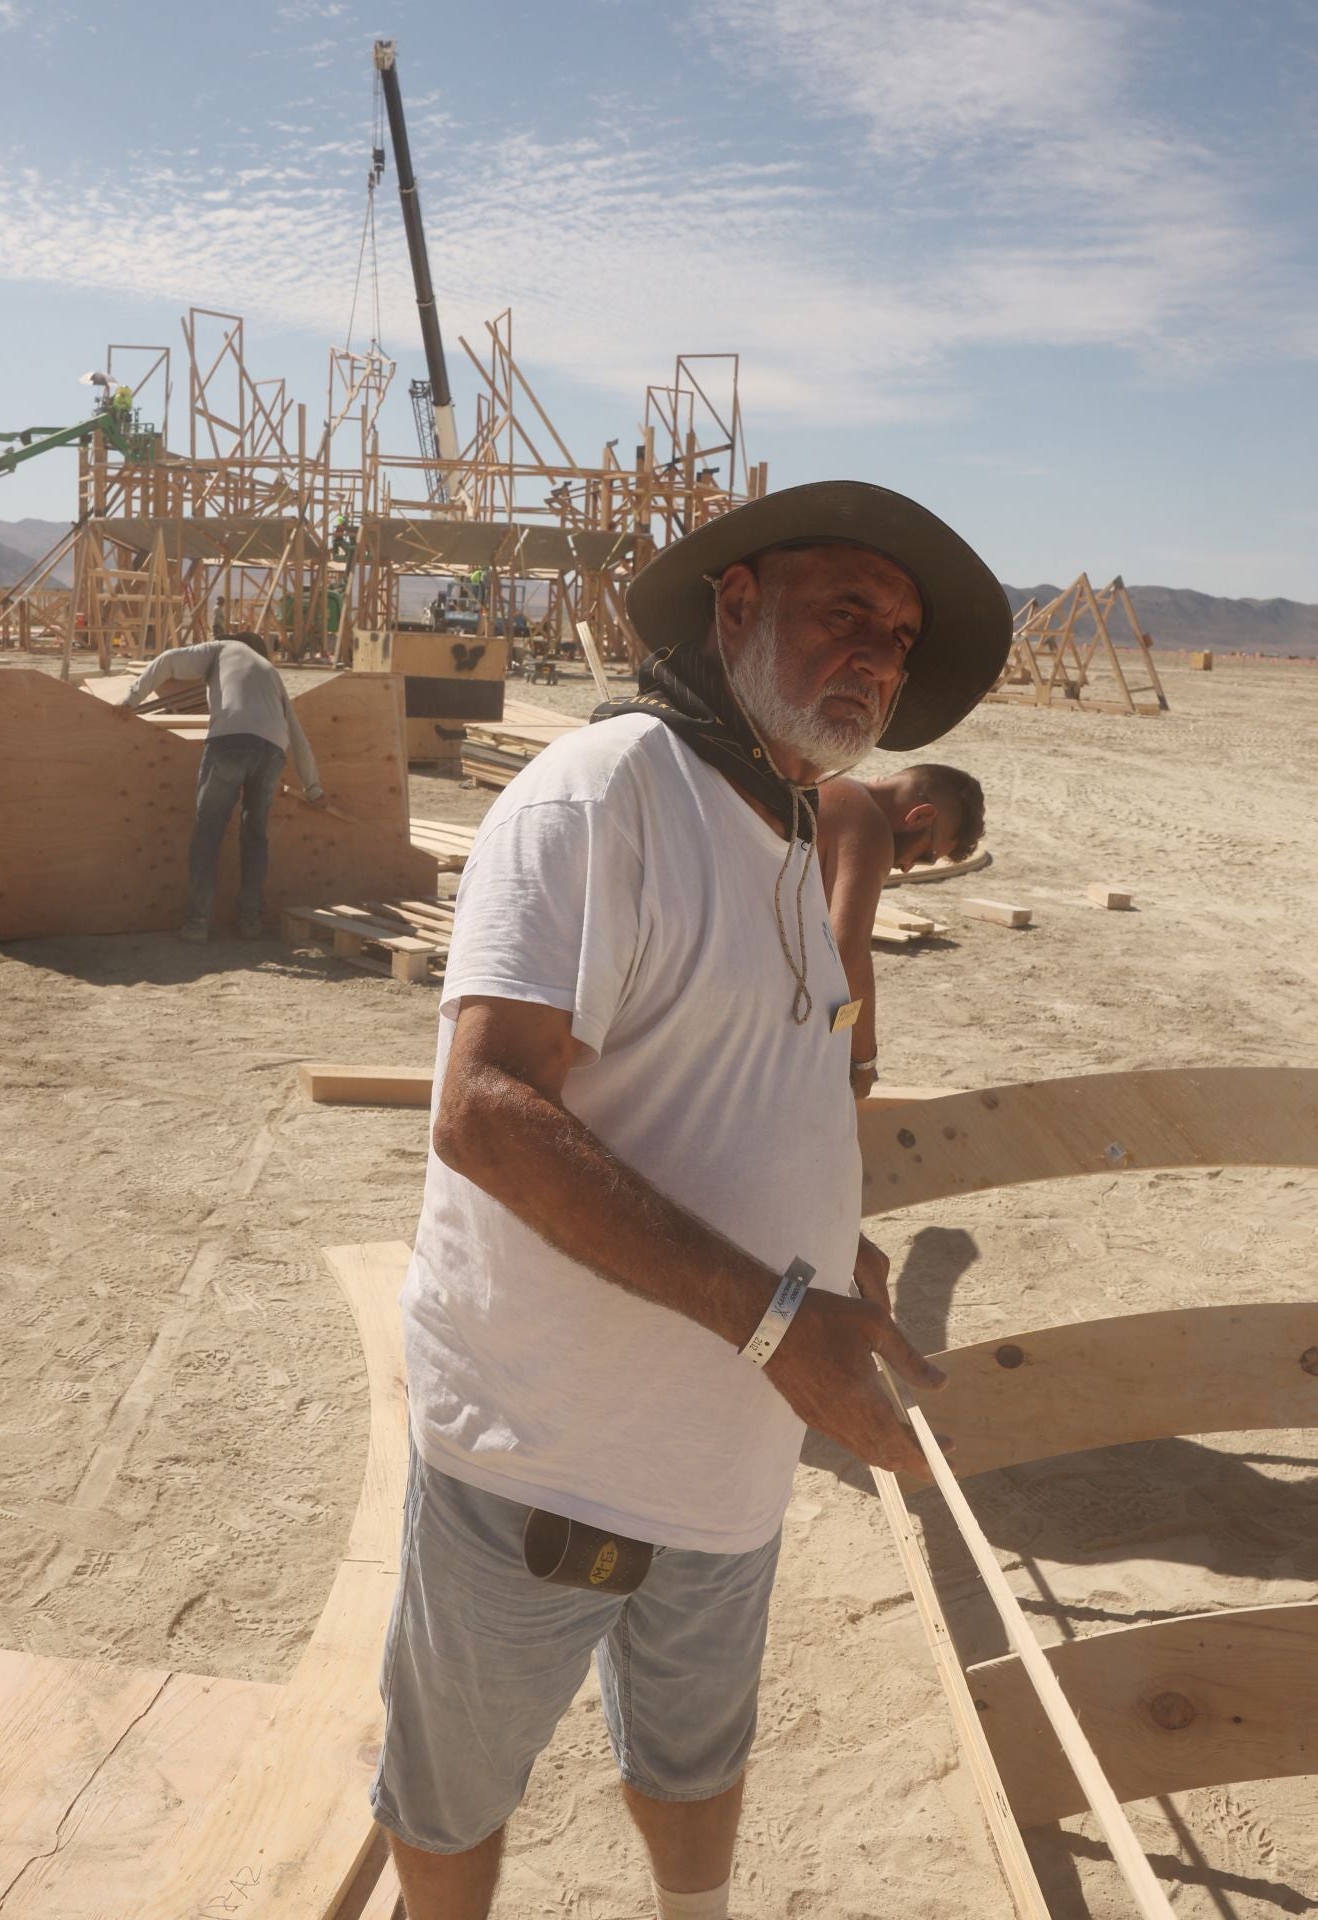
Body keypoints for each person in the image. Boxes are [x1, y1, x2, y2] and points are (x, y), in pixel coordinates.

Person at [375, 481, 1012, 1918]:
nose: (879, 656)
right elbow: (484, 1112)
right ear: (736, 607)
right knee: (456, 1784)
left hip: (725, 1459)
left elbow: (736, 1089)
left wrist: (822, 1244)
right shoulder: (608, 795)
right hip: (549, 1451)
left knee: (692, 1755)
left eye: (900, 638)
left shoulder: (794, 832)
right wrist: (784, 1321)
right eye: (847, 611)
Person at [122, 635, 328, 942]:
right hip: (272, 751)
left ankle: (197, 924)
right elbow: (297, 735)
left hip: (229, 741)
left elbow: (167, 661)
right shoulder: (271, 673)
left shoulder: (220, 649)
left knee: (208, 834)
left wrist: (131, 701)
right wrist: (314, 789)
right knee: (255, 837)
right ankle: (250, 922)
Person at [815, 763, 986, 1094]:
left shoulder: (824, 780)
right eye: (926, 856)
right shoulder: (867, 823)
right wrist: (862, 1062)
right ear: (920, 816)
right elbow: (847, 956)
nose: (907, 866)